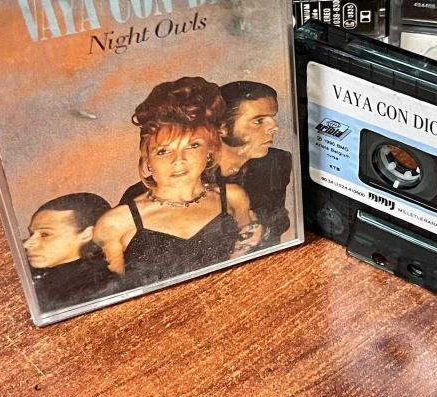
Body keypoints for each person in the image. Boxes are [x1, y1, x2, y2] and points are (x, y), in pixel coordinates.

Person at [94, 77, 262, 286]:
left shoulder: (234, 197)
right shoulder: (116, 223)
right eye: (163, 151)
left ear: (210, 150)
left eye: (193, 146)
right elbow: (113, 295)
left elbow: (247, 264)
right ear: (147, 158)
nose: (178, 160)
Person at [213, 81, 292, 247]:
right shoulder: (188, 173)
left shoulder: (277, 161)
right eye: (259, 121)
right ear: (222, 128)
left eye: (272, 118)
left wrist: (263, 230)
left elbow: (279, 217)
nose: (274, 127)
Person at [24, 193, 115, 312]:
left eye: (45, 234)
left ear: (87, 234)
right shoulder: (41, 278)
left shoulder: (96, 287)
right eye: (31, 234)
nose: (27, 244)